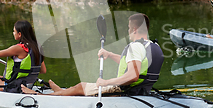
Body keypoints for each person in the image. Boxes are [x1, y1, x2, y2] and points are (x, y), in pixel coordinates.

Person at [23, 13, 163, 96]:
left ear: (134, 28)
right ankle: (62, 92)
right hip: (142, 90)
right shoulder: (152, 46)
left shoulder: (135, 46)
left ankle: (41, 96)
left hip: (126, 91)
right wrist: (110, 54)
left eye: (128, 28)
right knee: (77, 89)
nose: (127, 31)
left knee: (81, 86)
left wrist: (106, 82)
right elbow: (135, 65)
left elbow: (133, 75)